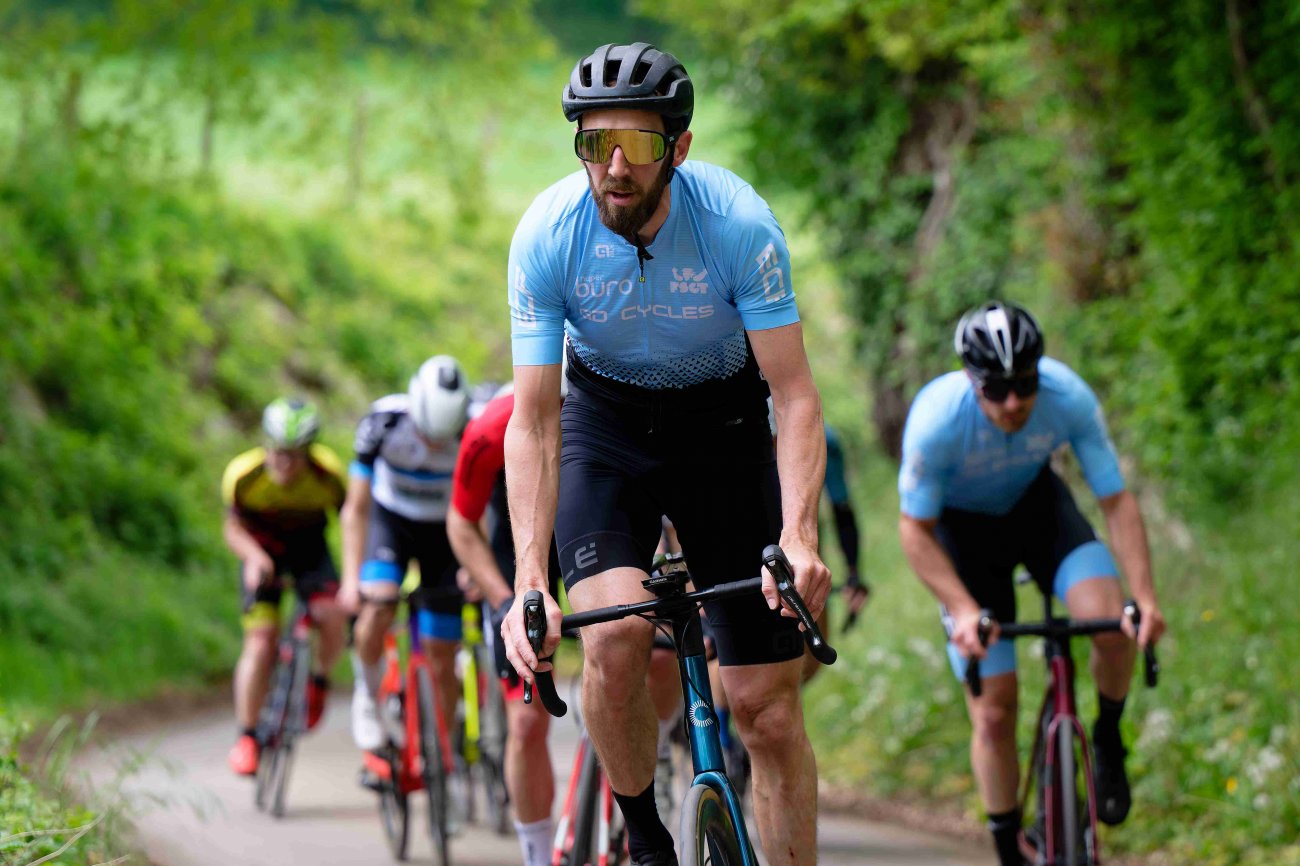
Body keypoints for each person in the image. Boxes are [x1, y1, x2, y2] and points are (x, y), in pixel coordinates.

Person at [500, 42, 831, 866]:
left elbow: (794, 396)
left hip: (724, 434)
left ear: (678, 148)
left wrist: (799, 535)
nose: (614, 167)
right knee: (613, 638)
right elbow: (534, 420)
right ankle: (646, 837)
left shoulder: (738, 227)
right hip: (607, 432)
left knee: (768, 713)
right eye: (594, 143)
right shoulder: (547, 235)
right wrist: (530, 579)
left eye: (638, 144)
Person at [897, 301, 1167, 866]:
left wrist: (1143, 598)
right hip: (963, 538)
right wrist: (962, 609)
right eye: (996, 390)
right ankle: (1007, 846)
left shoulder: (1068, 397)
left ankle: (1108, 736)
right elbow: (914, 530)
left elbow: (1116, 501)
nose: (1013, 402)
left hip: (1040, 514)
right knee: (995, 711)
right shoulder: (937, 421)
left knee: (1112, 624)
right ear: (972, 381)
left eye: (1024, 385)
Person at [337, 356, 470, 759]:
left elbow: (484, 507)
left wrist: (474, 567)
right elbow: (356, 509)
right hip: (390, 522)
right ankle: (368, 695)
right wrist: (350, 580)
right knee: (377, 605)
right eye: (428, 435)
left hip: (444, 531)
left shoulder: (471, 428)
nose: (434, 447)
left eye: (443, 439)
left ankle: (443, 756)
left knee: (442, 652)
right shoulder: (382, 422)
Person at [221, 398, 348, 775]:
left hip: (310, 551)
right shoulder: (244, 475)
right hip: (262, 551)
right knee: (260, 640)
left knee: (333, 613)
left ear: (309, 452)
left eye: (295, 456)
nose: (285, 464)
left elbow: (351, 523)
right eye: (277, 452)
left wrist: (353, 577)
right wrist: (253, 557)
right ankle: (247, 737)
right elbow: (232, 529)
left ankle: (319, 681)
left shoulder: (329, 476)